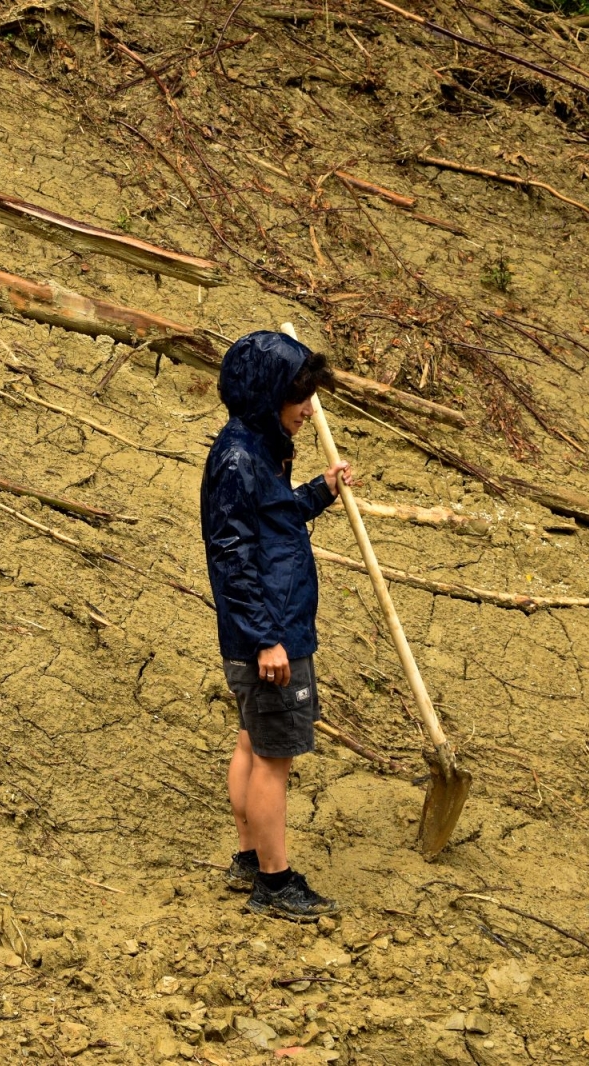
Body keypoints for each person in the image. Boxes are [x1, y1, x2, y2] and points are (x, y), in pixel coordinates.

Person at [199, 330, 352, 922]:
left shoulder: (257, 447)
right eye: (300, 397)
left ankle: (249, 857)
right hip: (270, 635)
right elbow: (233, 555)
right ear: (267, 396)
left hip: (269, 629)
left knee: (252, 741)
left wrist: (320, 491)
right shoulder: (239, 456)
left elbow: (275, 517)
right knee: (273, 758)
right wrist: (267, 637)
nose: (309, 408)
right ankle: (274, 881)